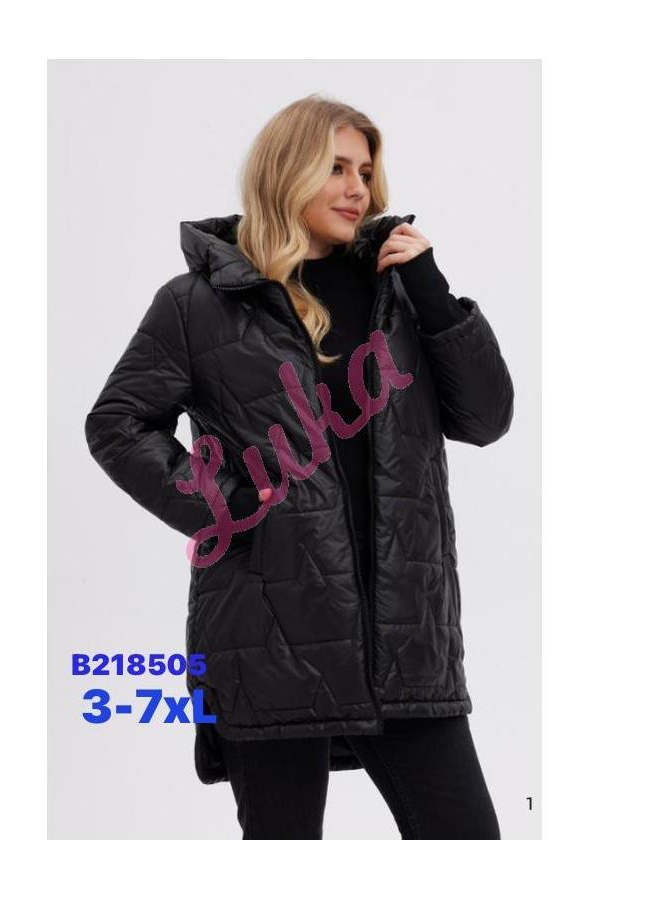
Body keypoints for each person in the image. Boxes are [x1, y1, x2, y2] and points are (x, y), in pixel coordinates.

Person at [84, 94, 514, 839]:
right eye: (336, 168)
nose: (357, 189)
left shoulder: (401, 293)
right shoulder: (198, 303)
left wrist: (436, 294)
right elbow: (117, 424)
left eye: (366, 172)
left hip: (407, 640)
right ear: (287, 172)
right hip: (267, 637)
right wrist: (225, 505)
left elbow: (486, 419)